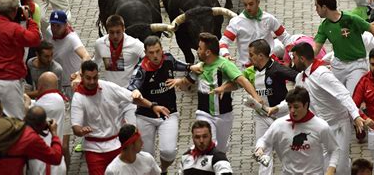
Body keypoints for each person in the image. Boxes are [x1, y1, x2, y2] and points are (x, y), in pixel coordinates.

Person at [269, 42, 364, 175]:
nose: (292, 62)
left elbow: (343, 94)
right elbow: (295, 100)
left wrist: (356, 116)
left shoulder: (323, 74)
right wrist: (277, 108)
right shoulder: (300, 78)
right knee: (326, 166)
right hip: (320, 128)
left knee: (340, 168)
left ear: (302, 59)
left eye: (294, 58)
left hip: (339, 125)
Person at [171, 32, 265, 153]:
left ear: (208, 52)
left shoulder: (224, 65)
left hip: (224, 115)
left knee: (220, 149)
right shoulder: (199, 67)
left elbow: (242, 80)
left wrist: (256, 97)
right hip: (203, 113)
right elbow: (186, 83)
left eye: (200, 48)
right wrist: (179, 82)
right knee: (209, 143)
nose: (197, 51)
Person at [71, 60, 169, 175]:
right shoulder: (78, 98)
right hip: (94, 150)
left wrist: (152, 106)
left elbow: (132, 97)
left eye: (95, 77)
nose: (92, 82)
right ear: (81, 76)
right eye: (88, 78)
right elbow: (75, 127)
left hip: (117, 145)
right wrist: (81, 131)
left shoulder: (108, 87)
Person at [221, 39, 297, 174]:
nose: (249, 57)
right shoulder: (250, 72)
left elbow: (298, 77)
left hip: (280, 116)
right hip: (261, 116)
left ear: (261, 56)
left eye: (251, 54)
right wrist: (222, 88)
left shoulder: (277, 69)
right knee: (262, 150)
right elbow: (237, 83)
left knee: (288, 150)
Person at [128, 36, 199, 174]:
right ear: (145, 53)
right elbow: (132, 85)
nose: (155, 56)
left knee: (169, 151)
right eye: (151, 53)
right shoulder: (141, 69)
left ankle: (163, 169)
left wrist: (191, 67)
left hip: (169, 114)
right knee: (147, 156)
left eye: (157, 51)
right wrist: (135, 91)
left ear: (162, 49)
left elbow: (178, 64)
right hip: (145, 116)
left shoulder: (168, 58)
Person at [312, 0, 374, 94]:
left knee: (352, 99)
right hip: (338, 65)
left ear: (324, 7)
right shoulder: (324, 26)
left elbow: (372, 29)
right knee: (335, 97)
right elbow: (316, 49)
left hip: (357, 65)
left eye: (317, 6)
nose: (316, 10)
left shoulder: (350, 18)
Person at [255, 86, 339, 175]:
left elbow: (334, 150)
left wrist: (330, 170)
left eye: (296, 107)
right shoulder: (279, 124)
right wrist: (260, 148)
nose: (292, 111)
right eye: (289, 107)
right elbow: (264, 140)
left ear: (306, 105)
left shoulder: (321, 126)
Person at [0, 106, 63, 175]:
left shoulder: (10, 122)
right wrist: (54, 133)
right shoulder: (30, 138)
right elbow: (55, 157)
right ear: (41, 125)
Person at [219, 0, 292, 68]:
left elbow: (285, 37)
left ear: (258, 2)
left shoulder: (269, 18)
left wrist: (290, 57)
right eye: (245, 5)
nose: (248, 8)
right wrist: (225, 54)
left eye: (251, 4)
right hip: (248, 68)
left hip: (270, 65)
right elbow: (223, 43)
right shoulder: (236, 22)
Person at [46, 10, 91, 98]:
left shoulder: (72, 39)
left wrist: (79, 75)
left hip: (72, 85)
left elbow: (86, 56)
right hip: (57, 83)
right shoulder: (49, 31)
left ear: (66, 25)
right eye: (53, 25)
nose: (54, 29)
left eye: (58, 26)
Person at [28, 72, 67, 175]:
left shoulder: (48, 101)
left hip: (44, 163)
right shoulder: (60, 100)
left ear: (39, 87)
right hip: (57, 160)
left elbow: (31, 110)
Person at [94, 15, 145, 87]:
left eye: (118, 32)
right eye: (111, 32)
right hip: (110, 90)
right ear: (107, 30)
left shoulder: (135, 44)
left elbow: (149, 59)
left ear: (124, 29)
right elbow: (96, 62)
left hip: (129, 91)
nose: (115, 36)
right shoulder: (100, 44)